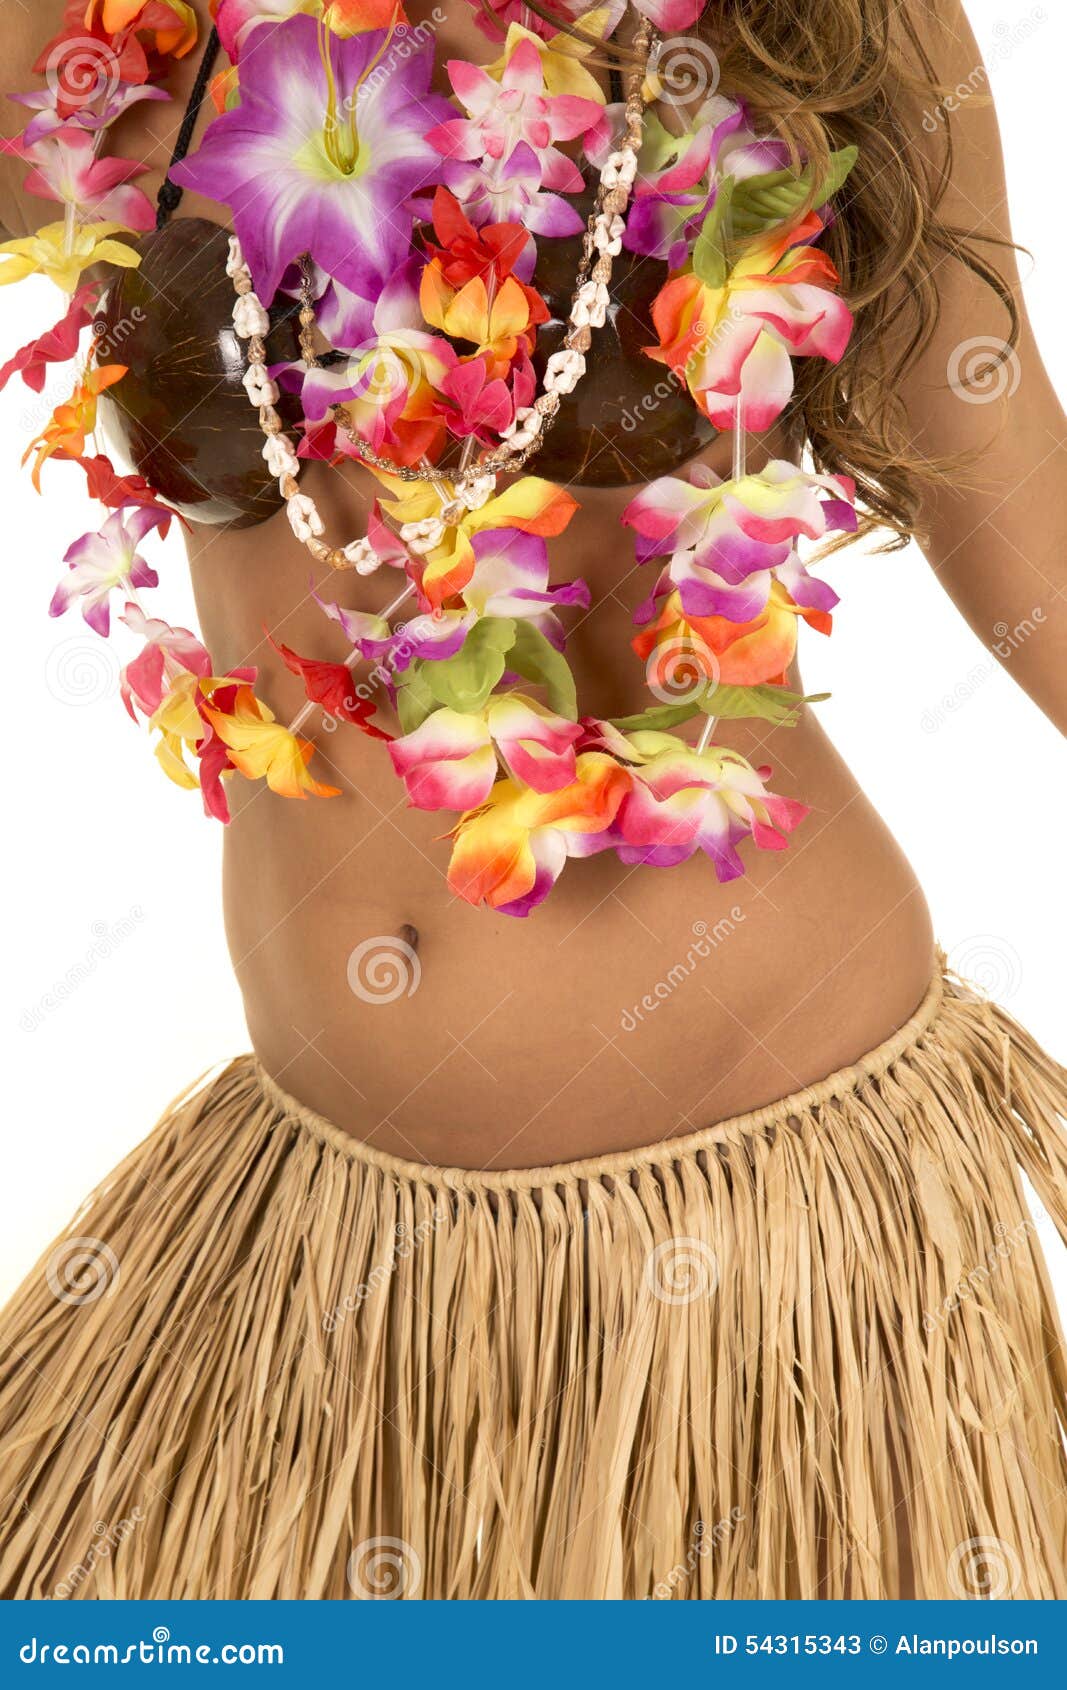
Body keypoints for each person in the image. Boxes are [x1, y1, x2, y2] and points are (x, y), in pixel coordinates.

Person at [0, 0, 1064, 1600]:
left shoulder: (837, 23)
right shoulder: (106, 30)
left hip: (779, 1271)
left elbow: (1015, 499)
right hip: (318, 1268)